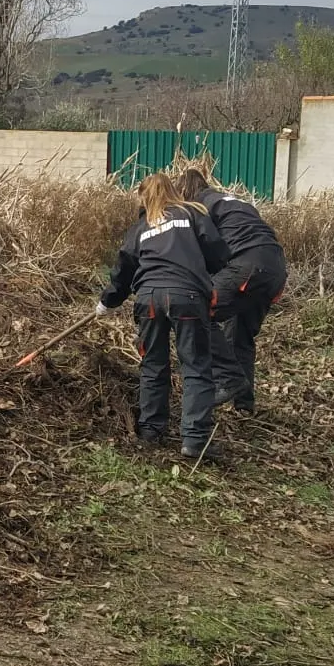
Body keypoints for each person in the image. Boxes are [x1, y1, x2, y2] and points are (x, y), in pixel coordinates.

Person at [95, 172, 229, 460]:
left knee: (153, 364)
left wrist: (107, 302)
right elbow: (218, 254)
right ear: (173, 191)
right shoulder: (193, 214)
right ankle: (194, 440)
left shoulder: (141, 228)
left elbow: (123, 271)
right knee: (194, 366)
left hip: (149, 299)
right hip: (188, 297)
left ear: (145, 197)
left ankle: (150, 431)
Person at [174, 166, 287, 414]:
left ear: (186, 191)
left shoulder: (200, 207)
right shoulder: (235, 202)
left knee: (195, 311)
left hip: (248, 266)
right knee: (239, 336)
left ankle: (229, 379)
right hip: (275, 269)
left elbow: (201, 251)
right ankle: (244, 405)